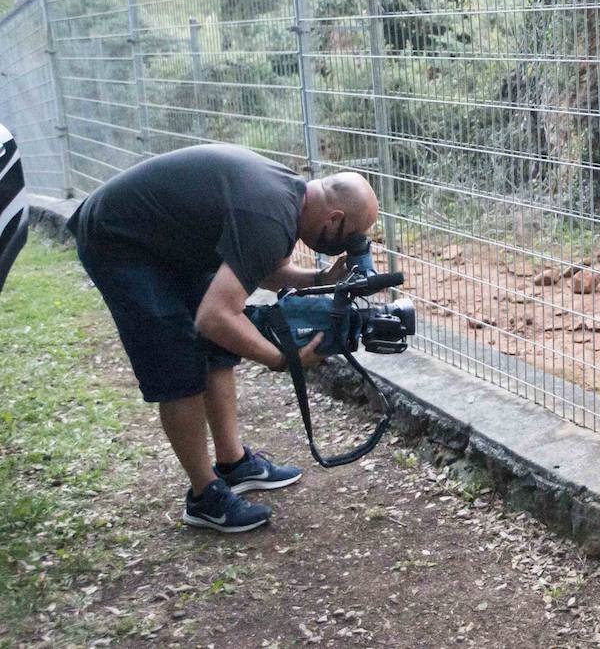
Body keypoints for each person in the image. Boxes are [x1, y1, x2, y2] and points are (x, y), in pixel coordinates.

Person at [69, 144, 379, 533]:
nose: (347, 243)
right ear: (333, 219)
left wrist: (319, 280)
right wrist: (284, 359)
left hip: (164, 242)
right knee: (178, 361)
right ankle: (204, 497)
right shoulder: (271, 214)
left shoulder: (287, 197)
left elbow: (265, 271)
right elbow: (216, 316)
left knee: (216, 350)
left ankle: (233, 464)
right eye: (350, 235)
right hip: (120, 241)